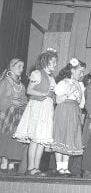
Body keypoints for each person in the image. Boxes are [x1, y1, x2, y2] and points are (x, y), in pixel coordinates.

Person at [13, 48, 58, 176]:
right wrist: (43, 93)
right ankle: (30, 168)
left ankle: (36, 168)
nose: (55, 64)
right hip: (38, 107)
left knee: (41, 141)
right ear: (46, 62)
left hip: (47, 109)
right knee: (34, 139)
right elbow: (29, 90)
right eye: (53, 61)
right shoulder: (37, 73)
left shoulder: (51, 77)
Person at [51, 58, 86, 176]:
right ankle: (59, 166)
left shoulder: (79, 84)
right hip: (63, 110)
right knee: (61, 135)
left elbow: (81, 104)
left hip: (74, 111)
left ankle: (65, 167)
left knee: (70, 137)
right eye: (80, 71)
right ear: (72, 70)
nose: (82, 74)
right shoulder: (63, 82)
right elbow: (58, 100)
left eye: (83, 72)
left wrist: (80, 94)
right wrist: (69, 91)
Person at [0, 59, 27, 174]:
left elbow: (25, 100)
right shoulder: (5, 82)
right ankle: (4, 162)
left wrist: (22, 103)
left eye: (22, 67)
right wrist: (11, 101)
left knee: (14, 139)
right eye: (19, 66)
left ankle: (11, 164)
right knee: (5, 137)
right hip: (6, 114)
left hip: (17, 116)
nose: (21, 69)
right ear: (11, 67)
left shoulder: (21, 85)